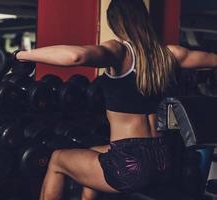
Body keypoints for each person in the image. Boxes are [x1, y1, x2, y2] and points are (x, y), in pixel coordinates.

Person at [12, 0, 217, 199]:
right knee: (91, 154)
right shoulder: (169, 54)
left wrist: (22, 55)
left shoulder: (120, 52)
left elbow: (76, 56)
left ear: (115, 23)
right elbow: (212, 58)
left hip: (130, 164)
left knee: (57, 160)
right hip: (163, 158)